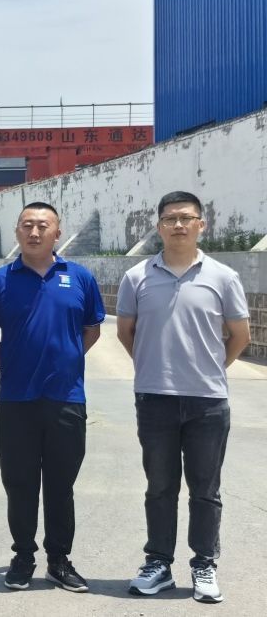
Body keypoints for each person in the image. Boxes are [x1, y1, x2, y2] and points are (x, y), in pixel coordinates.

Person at [117, 191, 250, 604]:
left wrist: (209, 368)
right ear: (158, 226)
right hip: (154, 398)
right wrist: (153, 367)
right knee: (160, 487)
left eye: (186, 218)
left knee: (205, 489)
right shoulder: (137, 276)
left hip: (207, 402)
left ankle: (204, 564)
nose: (178, 225)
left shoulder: (223, 277)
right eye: (170, 218)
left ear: (200, 225)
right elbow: (126, 332)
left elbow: (240, 335)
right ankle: (158, 563)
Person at [0, 201, 105, 593]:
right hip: (16, 400)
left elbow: (92, 329)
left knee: (60, 486)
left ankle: (59, 560)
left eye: (43, 226)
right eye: (27, 225)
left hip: (67, 399)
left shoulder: (79, 277)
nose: (34, 233)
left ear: (57, 232)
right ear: (17, 231)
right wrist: (8, 364)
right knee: (19, 485)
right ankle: (22, 557)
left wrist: (67, 359)